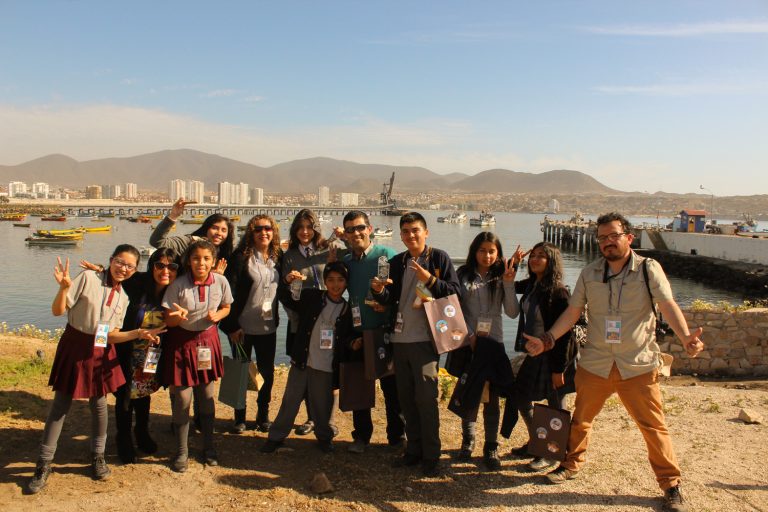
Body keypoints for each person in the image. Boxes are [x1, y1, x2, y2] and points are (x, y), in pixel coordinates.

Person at [524, 212, 704, 512]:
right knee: (581, 420)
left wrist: (686, 337)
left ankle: (671, 484)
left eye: (614, 236)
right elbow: (572, 312)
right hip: (595, 363)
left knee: (653, 427)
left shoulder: (648, 269)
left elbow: (667, 303)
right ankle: (571, 463)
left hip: (637, 365)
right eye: (602, 238)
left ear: (628, 237)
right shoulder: (590, 273)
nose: (608, 242)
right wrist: (548, 339)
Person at [26, 245, 165, 494]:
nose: (123, 268)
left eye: (130, 266)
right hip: (75, 344)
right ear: (111, 260)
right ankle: (44, 463)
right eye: (120, 262)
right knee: (61, 404)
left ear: (135, 270)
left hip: (100, 349)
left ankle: (98, 456)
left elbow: (109, 335)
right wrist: (63, 288)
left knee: (99, 404)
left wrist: (137, 333)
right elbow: (58, 311)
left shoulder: (123, 297)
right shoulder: (88, 278)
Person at [371, 211, 461, 476]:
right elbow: (390, 298)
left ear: (426, 232)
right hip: (399, 339)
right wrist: (379, 291)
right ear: (401, 235)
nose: (411, 235)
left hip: (426, 340)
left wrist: (429, 279)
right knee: (407, 399)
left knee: (426, 399)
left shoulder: (438, 258)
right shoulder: (398, 262)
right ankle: (413, 450)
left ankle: (431, 455)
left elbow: (455, 292)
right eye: (406, 231)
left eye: (415, 230)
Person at [263, 261, 356, 453]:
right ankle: (276, 437)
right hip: (302, 361)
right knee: (290, 401)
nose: (335, 284)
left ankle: (324, 437)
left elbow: (347, 337)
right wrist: (286, 282)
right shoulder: (311, 296)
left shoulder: (347, 310)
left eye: (340, 280)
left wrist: (352, 343)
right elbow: (288, 300)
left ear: (346, 283)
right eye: (331, 280)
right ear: (324, 281)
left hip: (326, 366)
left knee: (322, 405)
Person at [161, 239, 233, 472]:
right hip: (182, 343)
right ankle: (182, 451)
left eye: (206, 258)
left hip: (207, 343)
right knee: (182, 399)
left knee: (207, 396)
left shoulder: (221, 281)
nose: (201, 263)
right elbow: (168, 319)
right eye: (196, 258)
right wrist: (177, 317)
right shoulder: (179, 284)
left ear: (213, 261)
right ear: (188, 261)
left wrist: (218, 316)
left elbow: (227, 306)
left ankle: (208, 447)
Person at [455, 232, 521, 470]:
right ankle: (468, 439)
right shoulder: (462, 275)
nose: (487, 256)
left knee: (491, 399)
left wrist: (509, 283)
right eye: (482, 250)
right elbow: (455, 309)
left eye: (492, 251)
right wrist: (469, 336)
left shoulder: (502, 276)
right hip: (470, 343)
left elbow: (512, 312)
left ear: (498, 254)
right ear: (474, 252)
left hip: (493, 344)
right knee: (469, 394)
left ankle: (491, 445)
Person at [340, 210, 405, 454]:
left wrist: (388, 305)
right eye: (350, 229)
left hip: (384, 332)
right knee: (360, 387)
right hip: (358, 331)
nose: (356, 233)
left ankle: (397, 437)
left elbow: (400, 291)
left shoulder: (387, 255)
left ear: (369, 229)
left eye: (360, 228)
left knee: (392, 390)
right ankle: (361, 436)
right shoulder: (347, 262)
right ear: (346, 234)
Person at [508, 242, 576, 472]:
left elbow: (565, 334)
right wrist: (514, 263)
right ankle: (538, 441)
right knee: (521, 397)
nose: (534, 259)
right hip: (535, 352)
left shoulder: (558, 292)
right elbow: (508, 282)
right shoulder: (532, 285)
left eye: (541, 256)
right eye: (533, 255)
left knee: (555, 405)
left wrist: (559, 369)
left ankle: (551, 453)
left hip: (554, 355)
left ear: (551, 261)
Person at [222, 214, 282, 434]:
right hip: (241, 328)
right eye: (258, 229)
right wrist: (231, 326)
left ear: (273, 232)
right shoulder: (240, 257)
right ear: (251, 232)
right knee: (240, 372)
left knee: (266, 373)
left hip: (268, 328)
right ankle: (239, 417)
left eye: (268, 228)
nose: (263, 232)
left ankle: (262, 415)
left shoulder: (278, 257)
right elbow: (228, 292)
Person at [280, 208, 337, 436]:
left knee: (327, 369)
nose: (305, 232)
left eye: (309, 227)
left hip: (327, 320)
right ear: (295, 230)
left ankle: (328, 421)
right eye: (300, 227)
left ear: (316, 229)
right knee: (302, 367)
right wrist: (287, 279)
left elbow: (342, 270)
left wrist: (336, 254)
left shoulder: (326, 249)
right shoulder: (290, 255)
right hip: (301, 321)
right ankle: (311, 417)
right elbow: (284, 290)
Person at [150, 197, 233, 271]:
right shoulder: (189, 242)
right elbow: (157, 241)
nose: (219, 233)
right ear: (206, 228)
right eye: (214, 228)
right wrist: (173, 215)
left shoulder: (227, 252)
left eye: (224, 230)